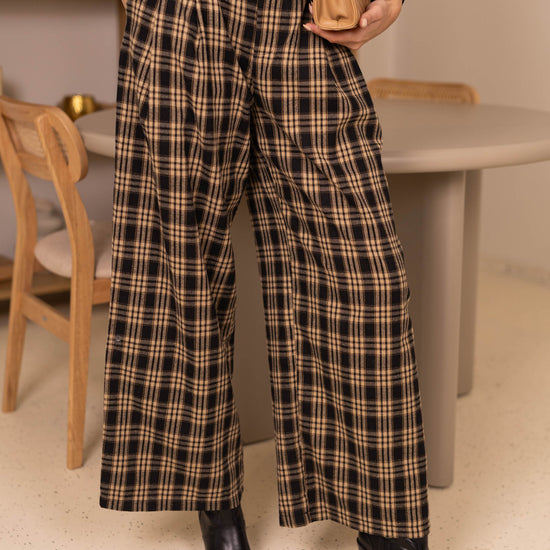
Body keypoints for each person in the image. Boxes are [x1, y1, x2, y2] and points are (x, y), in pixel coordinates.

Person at [100, 0, 430, 548]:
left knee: (364, 274)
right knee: (181, 262)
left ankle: (383, 514)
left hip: (304, 22)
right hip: (183, 19)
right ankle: (212, 494)